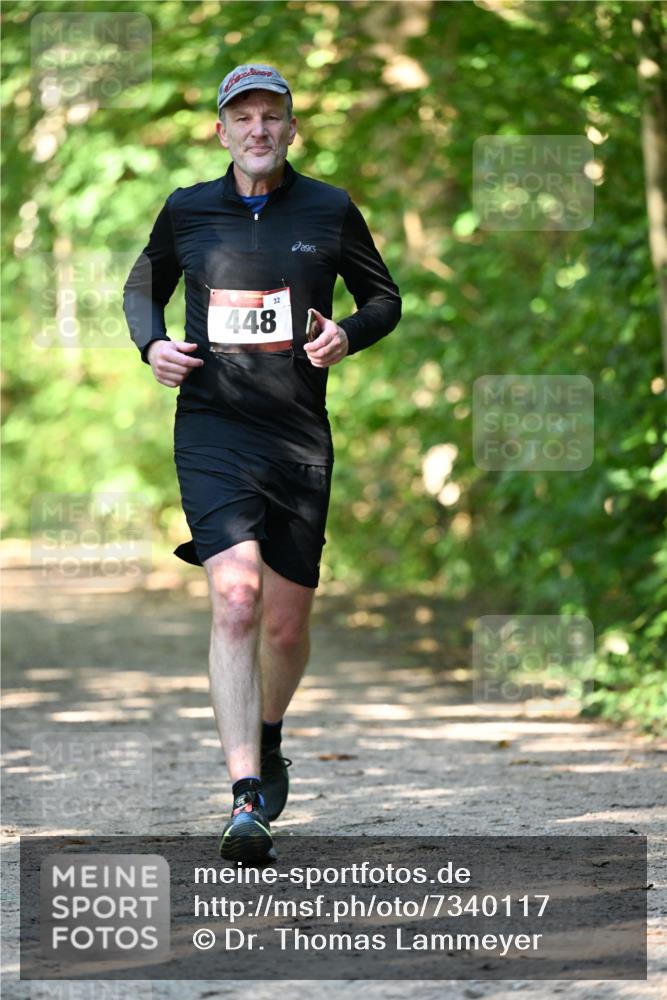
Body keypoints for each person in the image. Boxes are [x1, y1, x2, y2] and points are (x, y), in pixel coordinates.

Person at [123, 64, 401, 863]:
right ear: (220, 130)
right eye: (240, 117)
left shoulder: (329, 207)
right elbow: (143, 287)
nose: (255, 130)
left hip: (297, 436)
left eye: (269, 117)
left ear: (289, 128)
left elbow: (385, 299)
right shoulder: (186, 211)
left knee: (284, 622)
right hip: (211, 428)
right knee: (236, 598)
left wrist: (348, 333)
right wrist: (153, 345)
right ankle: (245, 797)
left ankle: (268, 733)